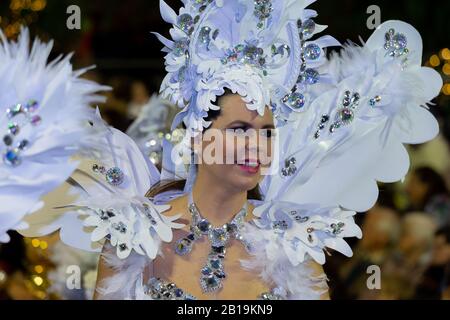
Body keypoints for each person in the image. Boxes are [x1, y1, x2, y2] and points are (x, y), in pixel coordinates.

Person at [3, 0, 442, 300]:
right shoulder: (134, 234)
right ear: (198, 137)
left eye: (267, 131)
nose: (257, 145)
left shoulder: (292, 242)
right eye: (239, 128)